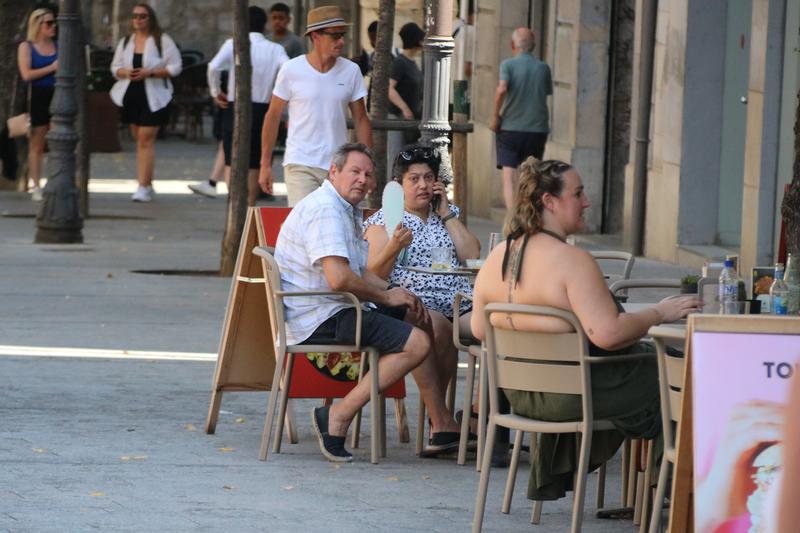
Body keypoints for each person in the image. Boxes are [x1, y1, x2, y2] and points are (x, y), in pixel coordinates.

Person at [470, 157, 701, 500]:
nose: (587, 202)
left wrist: (546, 324)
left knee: (651, 367)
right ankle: (673, 490)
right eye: (578, 193)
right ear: (549, 202)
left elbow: (479, 329)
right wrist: (658, 312)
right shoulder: (573, 261)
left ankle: (657, 491)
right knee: (679, 380)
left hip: (521, 395)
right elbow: (608, 334)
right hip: (572, 395)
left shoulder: (497, 256)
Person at [275, 143, 461, 461]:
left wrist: (398, 294)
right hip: (322, 316)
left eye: (367, 174)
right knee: (416, 344)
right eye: (354, 172)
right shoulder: (326, 211)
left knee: (421, 316)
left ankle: (440, 422)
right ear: (333, 172)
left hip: (337, 306)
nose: (362, 180)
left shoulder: (342, 208)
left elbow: (361, 272)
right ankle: (337, 416)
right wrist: (386, 295)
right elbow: (339, 279)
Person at [364, 145, 480, 453]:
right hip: (413, 305)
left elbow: (472, 255)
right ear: (399, 186)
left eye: (429, 178)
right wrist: (394, 244)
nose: (423, 185)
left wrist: (448, 214)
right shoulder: (387, 220)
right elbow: (373, 274)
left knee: (499, 323)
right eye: (414, 178)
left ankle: (480, 413)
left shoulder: (445, 217)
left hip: (460, 303)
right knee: (438, 325)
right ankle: (440, 423)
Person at [258, 5, 372, 207]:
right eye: (334, 36)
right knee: (305, 229)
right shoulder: (291, 69)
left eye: (342, 35)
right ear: (315, 36)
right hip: (300, 163)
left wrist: (368, 167)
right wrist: (265, 164)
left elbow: (361, 118)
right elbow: (273, 116)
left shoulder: (351, 71)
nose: (341, 41)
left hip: (340, 167)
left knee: (341, 229)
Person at [191, 6, 288, 206]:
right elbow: (289, 71)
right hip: (263, 107)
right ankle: (249, 205)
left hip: (235, 106)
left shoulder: (233, 43)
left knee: (231, 157)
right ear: (265, 25)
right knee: (254, 161)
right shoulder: (276, 49)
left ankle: (234, 204)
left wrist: (216, 92)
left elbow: (213, 67)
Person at [110, 3, 182, 203]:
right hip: (132, 93)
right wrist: (127, 73)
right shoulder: (127, 42)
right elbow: (115, 67)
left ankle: (142, 186)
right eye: (135, 16)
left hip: (156, 95)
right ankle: (147, 182)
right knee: (139, 139)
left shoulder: (162, 40)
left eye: (142, 16)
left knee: (145, 139)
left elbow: (176, 67)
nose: (138, 20)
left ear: (150, 18)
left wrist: (149, 73)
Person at [490, 28, 552, 211]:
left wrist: (495, 115)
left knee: (510, 175)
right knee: (531, 175)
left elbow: (502, 89)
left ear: (512, 45)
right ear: (533, 46)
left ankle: (513, 217)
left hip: (510, 127)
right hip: (537, 129)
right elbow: (545, 93)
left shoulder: (507, 65)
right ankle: (530, 213)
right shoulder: (543, 68)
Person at [17, 8, 58, 202]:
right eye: (49, 23)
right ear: (38, 25)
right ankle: (36, 184)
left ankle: (57, 181)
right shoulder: (27, 47)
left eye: (54, 23)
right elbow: (26, 75)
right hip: (37, 97)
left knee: (60, 141)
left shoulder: (59, 46)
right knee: (37, 144)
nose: (53, 26)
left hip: (58, 95)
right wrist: (51, 68)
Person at [386, 23, 425, 174]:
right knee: (396, 157)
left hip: (411, 120)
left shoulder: (413, 63)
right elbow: (389, 88)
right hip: (397, 117)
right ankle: (392, 194)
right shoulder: (400, 63)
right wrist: (404, 108)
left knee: (409, 160)